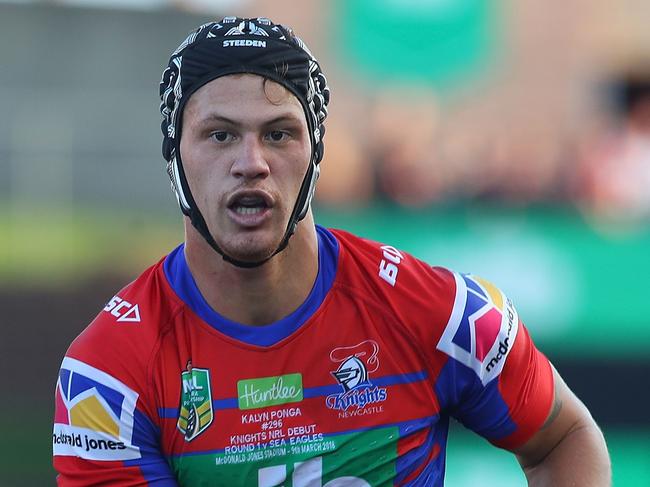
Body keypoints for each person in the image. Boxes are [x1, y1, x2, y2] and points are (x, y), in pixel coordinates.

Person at [52, 16, 610, 486]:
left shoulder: (441, 314)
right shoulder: (109, 376)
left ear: (315, 153)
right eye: (219, 135)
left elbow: (564, 437)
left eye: (279, 134)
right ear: (175, 156)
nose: (251, 162)